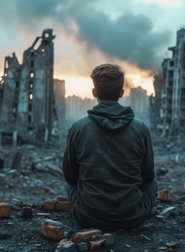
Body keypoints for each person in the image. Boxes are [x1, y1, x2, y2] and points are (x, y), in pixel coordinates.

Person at [62, 63, 158, 230]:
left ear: (94, 93)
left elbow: (70, 176)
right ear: (121, 93)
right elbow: (147, 176)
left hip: (86, 218)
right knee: (153, 184)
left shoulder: (78, 128)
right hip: (132, 218)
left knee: (71, 185)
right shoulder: (140, 128)